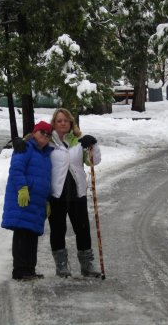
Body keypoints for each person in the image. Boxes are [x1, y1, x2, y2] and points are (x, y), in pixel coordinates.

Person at [48, 108, 101, 278]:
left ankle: (87, 265)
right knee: (57, 229)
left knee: (83, 229)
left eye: (66, 120)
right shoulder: (48, 142)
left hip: (77, 192)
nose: (63, 123)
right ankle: (62, 265)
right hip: (56, 193)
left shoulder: (79, 141)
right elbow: (32, 146)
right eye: (59, 120)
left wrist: (93, 145)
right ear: (54, 124)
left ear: (71, 123)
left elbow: (94, 160)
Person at [1, 121, 53, 280]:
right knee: (22, 234)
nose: (44, 137)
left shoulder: (45, 155)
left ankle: (29, 269)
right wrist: (22, 188)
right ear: (34, 132)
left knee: (32, 235)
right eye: (41, 132)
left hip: (37, 202)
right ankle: (19, 271)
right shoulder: (26, 147)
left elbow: (46, 179)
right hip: (24, 198)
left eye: (48, 134)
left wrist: (47, 200)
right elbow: (16, 169)